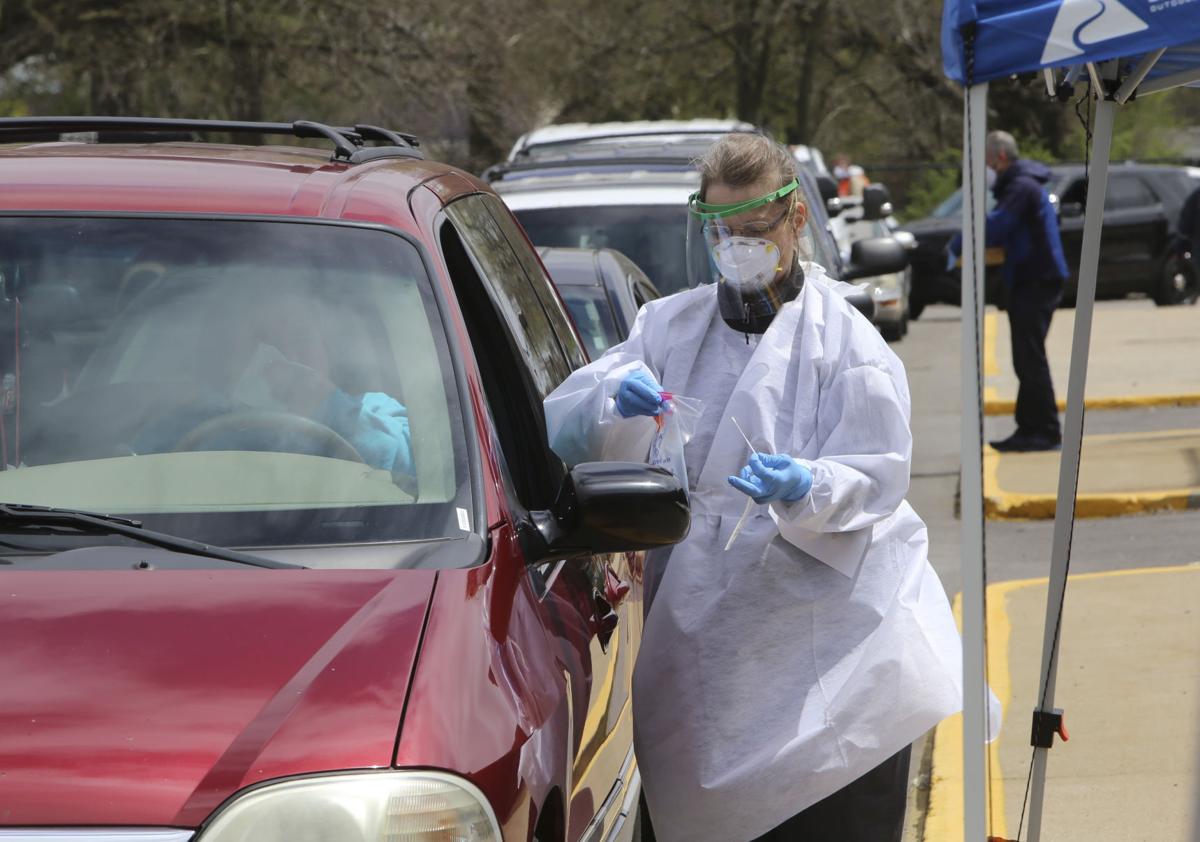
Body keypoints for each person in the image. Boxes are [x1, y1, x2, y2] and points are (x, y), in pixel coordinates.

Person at [544, 133, 968, 842]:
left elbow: (878, 476)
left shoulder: (846, 344)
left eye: (753, 229)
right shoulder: (670, 329)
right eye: (720, 230)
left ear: (795, 220)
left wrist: (812, 485)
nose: (735, 245)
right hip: (706, 637)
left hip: (832, 647)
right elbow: (569, 430)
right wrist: (612, 399)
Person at [951, 130, 1069, 452]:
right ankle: (1031, 427)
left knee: (1029, 359)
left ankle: (1042, 430)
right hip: (1033, 279)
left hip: (1036, 280)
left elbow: (997, 226)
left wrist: (959, 242)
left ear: (1000, 157)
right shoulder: (1020, 185)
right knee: (1027, 358)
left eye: (988, 161)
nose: (987, 168)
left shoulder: (1021, 187)